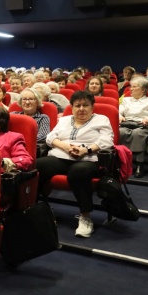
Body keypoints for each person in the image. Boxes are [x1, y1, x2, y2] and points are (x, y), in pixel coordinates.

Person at [37, 91, 114, 237]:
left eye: (86, 105)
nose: (81, 109)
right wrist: (65, 147)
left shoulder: (101, 119)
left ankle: (85, 217)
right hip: (61, 156)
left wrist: (86, 149)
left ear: (92, 107)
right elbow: (50, 137)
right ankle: (37, 209)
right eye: (77, 106)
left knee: (78, 172)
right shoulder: (64, 120)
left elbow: (107, 140)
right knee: (37, 165)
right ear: (71, 107)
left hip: (89, 159)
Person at [119, 76, 148, 178]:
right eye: (131, 86)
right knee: (120, 132)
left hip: (143, 126)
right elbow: (117, 111)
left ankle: (140, 164)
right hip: (127, 124)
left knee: (137, 133)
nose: (131, 89)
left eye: (134, 87)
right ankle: (122, 163)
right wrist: (120, 116)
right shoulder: (126, 100)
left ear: (143, 90)